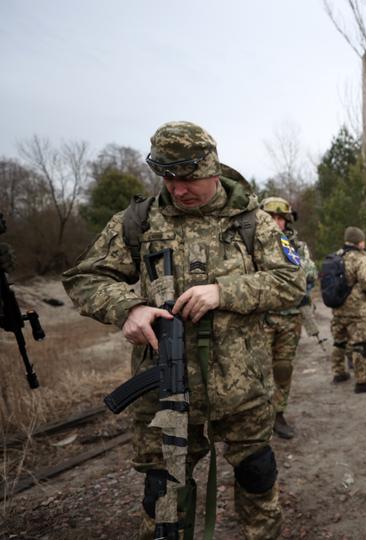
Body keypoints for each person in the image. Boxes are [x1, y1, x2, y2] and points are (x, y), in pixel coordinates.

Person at [62, 121, 305, 539]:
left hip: (242, 387)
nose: (177, 189)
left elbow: (291, 282)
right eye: (167, 178)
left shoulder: (253, 222)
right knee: (164, 493)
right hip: (163, 389)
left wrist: (224, 292)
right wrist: (129, 307)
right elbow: (83, 278)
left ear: (213, 170)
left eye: (187, 178)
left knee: (257, 473)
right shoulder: (137, 222)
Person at [260, 196, 316, 440]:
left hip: (290, 317)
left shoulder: (297, 246)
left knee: (283, 368)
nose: (275, 222)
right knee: (256, 371)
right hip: (260, 317)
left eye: (280, 218)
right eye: (270, 217)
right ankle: (256, 417)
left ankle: (278, 413)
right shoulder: (250, 244)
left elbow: (309, 273)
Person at [329, 226, 366, 393]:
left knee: (339, 342)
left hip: (337, 307)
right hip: (356, 309)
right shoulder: (360, 258)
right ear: (359, 241)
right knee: (360, 343)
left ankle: (339, 373)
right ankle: (362, 381)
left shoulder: (337, 256)